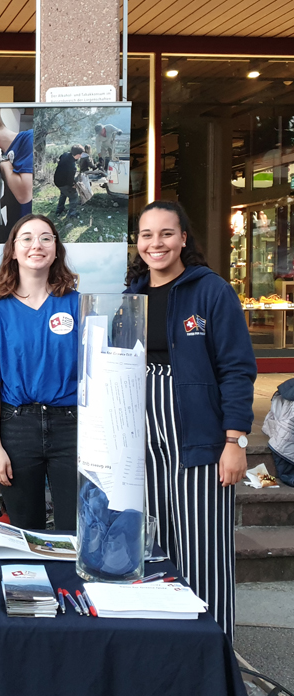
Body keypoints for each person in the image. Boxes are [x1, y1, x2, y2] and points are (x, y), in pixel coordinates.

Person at [125, 200, 256, 638]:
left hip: (199, 437)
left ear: (184, 238)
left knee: (204, 551)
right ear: (137, 242)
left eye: (166, 233)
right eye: (147, 234)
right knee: (153, 549)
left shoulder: (211, 290)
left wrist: (234, 440)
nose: (156, 243)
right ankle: (170, 651)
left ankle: (217, 657)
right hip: (143, 441)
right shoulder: (133, 297)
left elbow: (237, 368)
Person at [0, 214, 80, 531]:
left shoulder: (78, 306)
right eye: (27, 238)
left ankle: (68, 584)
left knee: (75, 531)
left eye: (46, 238)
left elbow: (98, 378)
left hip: (72, 427)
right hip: (17, 428)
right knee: (24, 532)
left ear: (56, 251)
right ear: (13, 251)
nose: (37, 245)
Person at [54, 144, 84, 219]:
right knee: (74, 196)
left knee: (64, 193)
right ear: (77, 154)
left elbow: (60, 157)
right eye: (80, 155)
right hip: (63, 183)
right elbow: (69, 180)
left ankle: (59, 210)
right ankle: (72, 214)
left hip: (57, 180)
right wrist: (73, 185)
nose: (80, 156)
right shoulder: (72, 166)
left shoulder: (65, 154)